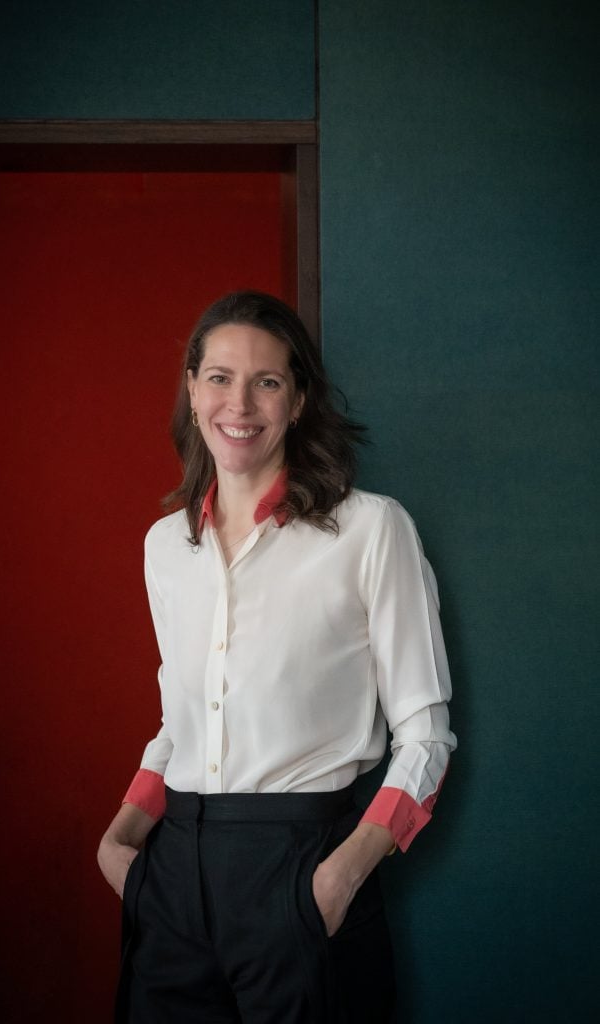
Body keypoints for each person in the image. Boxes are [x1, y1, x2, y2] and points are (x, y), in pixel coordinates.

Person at [98, 291, 456, 1023]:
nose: (241, 401)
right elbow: (180, 721)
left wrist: (339, 877)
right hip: (172, 875)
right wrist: (120, 838)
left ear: (296, 402)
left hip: (300, 866)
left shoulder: (369, 530)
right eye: (221, 377)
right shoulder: (165, 546)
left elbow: (426, 734)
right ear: (193, 392)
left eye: (267, 381)